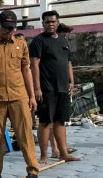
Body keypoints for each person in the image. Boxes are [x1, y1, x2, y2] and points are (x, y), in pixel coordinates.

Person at [0, 10, 40, 178]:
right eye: (5, 27)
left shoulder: (21, 44)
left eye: (11, 28)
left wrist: (32, 96)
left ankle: (32, 170)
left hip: (19, 97)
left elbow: (26, 70)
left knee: (25, 135)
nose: (8, 31)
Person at [30, 10, 81, 164]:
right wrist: (37, 88)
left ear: (57, 22)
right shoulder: (38, 41)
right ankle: (44, 155)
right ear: (43, 24)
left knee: (60, 121)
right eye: (47, 22)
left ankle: (63, 153)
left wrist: (71, 82)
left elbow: (68, 62)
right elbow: (34, 64)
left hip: (63, 88)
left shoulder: (63, 41)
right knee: (45, 121)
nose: (50, 24)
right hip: (47, 89)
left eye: (53, 21)